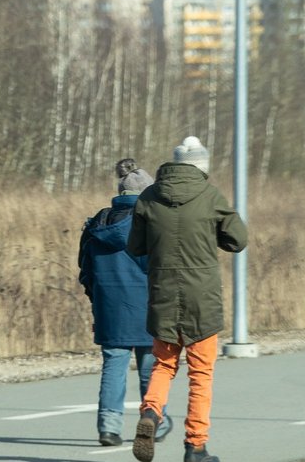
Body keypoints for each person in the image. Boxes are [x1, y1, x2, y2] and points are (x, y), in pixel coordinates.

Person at [126, 137, 248, 462]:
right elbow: (238, 239)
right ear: (203, 166)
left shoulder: (149, 197)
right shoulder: (210, 195)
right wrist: (214, 234)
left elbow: (135, 247)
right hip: (202, 298)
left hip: (162, 293)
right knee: (201, 374)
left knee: (163, 365)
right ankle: (196, 446)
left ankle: (151, 413)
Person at [78, 159, 173, 447]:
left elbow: (85, 270)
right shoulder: (152, 223)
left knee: (113, 366)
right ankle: (154, 418)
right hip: (147, 306)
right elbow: (163, 269)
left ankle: (108, 427)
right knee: (151, 367)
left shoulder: (97, 224)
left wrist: (98, 299)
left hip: (109, 306)